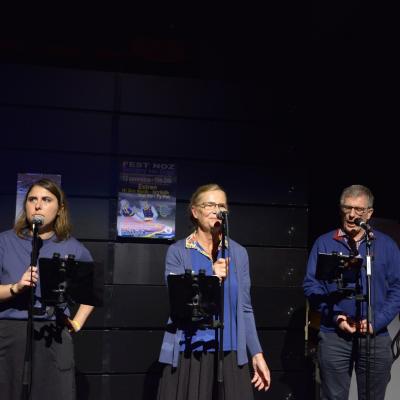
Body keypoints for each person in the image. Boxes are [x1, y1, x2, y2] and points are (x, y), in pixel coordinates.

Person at [157, 183, 270, 400]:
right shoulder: (178, 252)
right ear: (195, 212)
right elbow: (179, 302)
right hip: (191, 350)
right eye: (210, 204)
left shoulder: (238, 253)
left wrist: (256, 353)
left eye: (221, 205)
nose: (217, 210)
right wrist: (211, 276)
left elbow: (245, 308)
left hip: (230, 351)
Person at [0, 178, 95, 400]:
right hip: (9, 334)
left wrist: (77, 322)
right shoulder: (5, 242)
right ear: (25, 205)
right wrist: (16, 288)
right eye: (32, 199)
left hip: (53, 334)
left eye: (46, 199)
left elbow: (90, 293)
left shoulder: (73, 248)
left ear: (60, 208)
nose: (38, 205)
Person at [303, 184, 400, 400]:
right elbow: (311, 285)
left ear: (370, 213)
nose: (352, 215)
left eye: (359, 210)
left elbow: (397, 289)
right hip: (334, 334)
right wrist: (336, 315)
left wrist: (378, 320)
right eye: (347, 208)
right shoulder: (325, 243)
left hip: (375, 336)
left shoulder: (385, 245)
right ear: (341, 209)